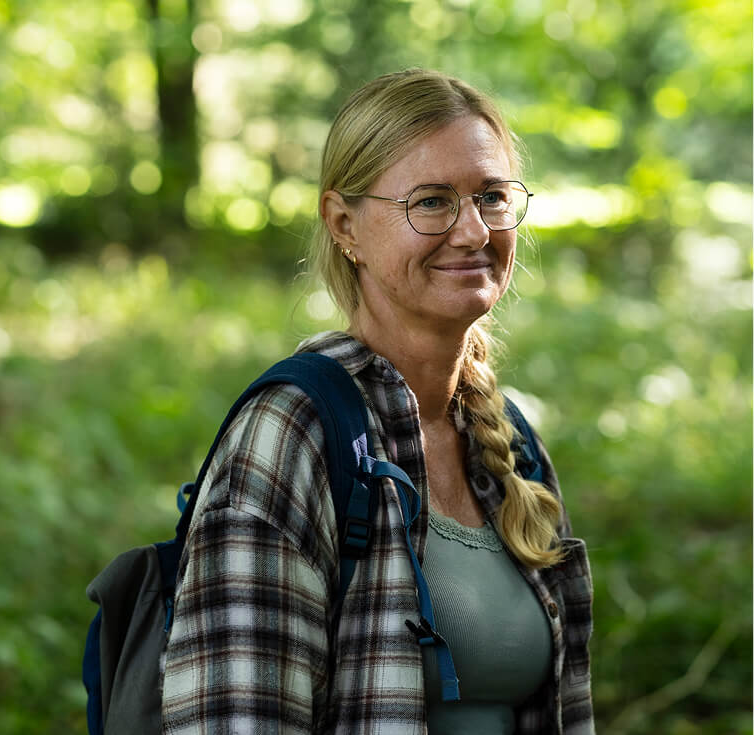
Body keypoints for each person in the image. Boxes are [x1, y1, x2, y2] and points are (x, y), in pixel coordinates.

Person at [161, 69, 594, 734]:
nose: (474, 231)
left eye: (492, 197)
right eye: (431, 202)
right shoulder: (294, 431)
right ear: (344, 224)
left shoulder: (510, 444)